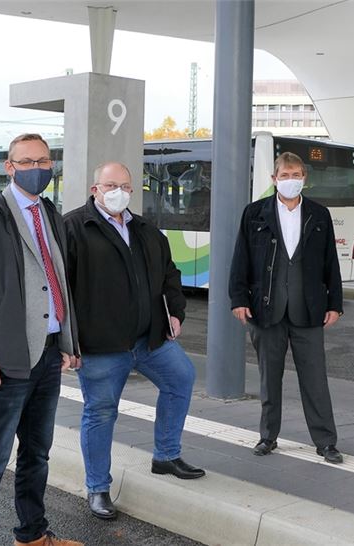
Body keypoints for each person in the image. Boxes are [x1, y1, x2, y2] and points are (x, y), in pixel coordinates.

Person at [0, 133, 82, 546]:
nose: (36, 169)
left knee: (37, 456)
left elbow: (58, 281)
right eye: (26, 162)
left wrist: (67, 342)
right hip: (5, 365)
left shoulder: (50, 213)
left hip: (47, 356)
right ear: (10, 168)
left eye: (43, 161)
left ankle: (32, 535)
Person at [59, 162, 204, 521]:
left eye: (125, 186)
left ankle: (166, 455)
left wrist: (175, 313)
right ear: (95, 189)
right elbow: (60, 291)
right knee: (101, 412)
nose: (118, 192)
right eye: (111, 185)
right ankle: (98, 487)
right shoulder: (73, 228)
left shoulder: (145, 230)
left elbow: (170, 275)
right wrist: (67, 342)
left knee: (181, 378)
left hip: (149, 338)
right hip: (101, 346)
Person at [229, 151, 345, 464]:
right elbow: (241, 258)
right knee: (270, 378)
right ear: (274, 179)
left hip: (309, 310)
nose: (290, 180)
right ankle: (268, 437)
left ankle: (326, 442)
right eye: (285, 175)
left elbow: (330, 262)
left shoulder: (319, 214)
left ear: (304, 178)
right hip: (266, 309)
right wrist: (238, 299)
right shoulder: (255, 213)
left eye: (296, 175)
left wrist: (335, 303)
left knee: (315, 379)